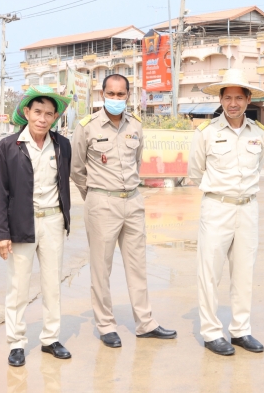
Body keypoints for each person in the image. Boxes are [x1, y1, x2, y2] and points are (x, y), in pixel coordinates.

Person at [70, 74, 176, 348]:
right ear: (102, 94)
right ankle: (106, 325)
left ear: (128, 95)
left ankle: (146, 323)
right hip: (102, 203)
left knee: (138, 265)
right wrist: (94, 196)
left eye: (120, 94)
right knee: (101, 268)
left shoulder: (135, 125)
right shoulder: (87, 127)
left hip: (133, 202)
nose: (116, 99)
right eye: (111, 94)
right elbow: (76, 169)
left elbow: (136, 162)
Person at [188, 69, 264, 356]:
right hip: (217, 207)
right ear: (221, 100)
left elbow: (258, 167)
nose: (233, 104)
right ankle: (211, 333)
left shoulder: (259, 133)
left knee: (244, 272)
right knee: (210, 272)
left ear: (248, 100)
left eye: (238, 98)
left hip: (248, 208)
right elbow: (195, 171)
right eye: (227, 98)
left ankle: (240, 331)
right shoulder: (206, 133)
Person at [0, 86, 73, 367]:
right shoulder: (8, 146)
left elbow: (64, 184)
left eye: (49, 114)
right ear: (26, 113)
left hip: (53, 221)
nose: (42, 118)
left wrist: (65, 219)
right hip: (21, 223)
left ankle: (51, 339)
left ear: (55, 118)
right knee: (18, 286)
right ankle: (16, 343)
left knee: (52, 284)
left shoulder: (62, 145)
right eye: (38, 112)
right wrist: (1, 233)